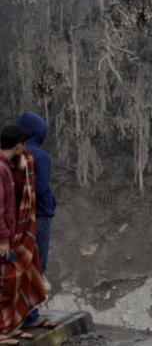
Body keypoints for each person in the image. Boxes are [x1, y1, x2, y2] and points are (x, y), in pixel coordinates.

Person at [0, 125, 45, 344]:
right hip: (4, 237)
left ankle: (8, 327)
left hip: (10, 233)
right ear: (18, 145)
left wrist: (20, 170)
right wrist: (3, 238)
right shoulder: (0, 168)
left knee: (13, 282)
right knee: (5, 284)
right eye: (24, 145)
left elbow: (15, 194)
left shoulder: (8, 167)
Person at [17, 112, 56, 330]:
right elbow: (40, 188)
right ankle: (30, 315)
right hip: (38, 215)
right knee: (36, 264)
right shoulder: (39, 156)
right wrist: (50, 204)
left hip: (17, 216)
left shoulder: (11, 153)